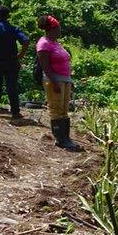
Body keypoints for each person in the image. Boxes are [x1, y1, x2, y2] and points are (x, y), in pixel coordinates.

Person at [35, 16, 80, 151]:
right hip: (54, 80)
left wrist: (69, 80)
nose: (61, 30)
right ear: (53, 29)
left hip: (64, 80)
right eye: (59, 28)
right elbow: (45, 66)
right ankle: (60, 140)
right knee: (56, 110)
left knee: (64, 110)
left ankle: (66, 138)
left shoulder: (56, 43)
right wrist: (54, 82)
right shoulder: (44, 44)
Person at [0, 6, 29, 119]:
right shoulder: (13, 28)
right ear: (8, 15)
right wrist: (21, 54)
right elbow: (25, 40)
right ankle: (15, 112)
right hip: (11, 62)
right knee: (12, 87)